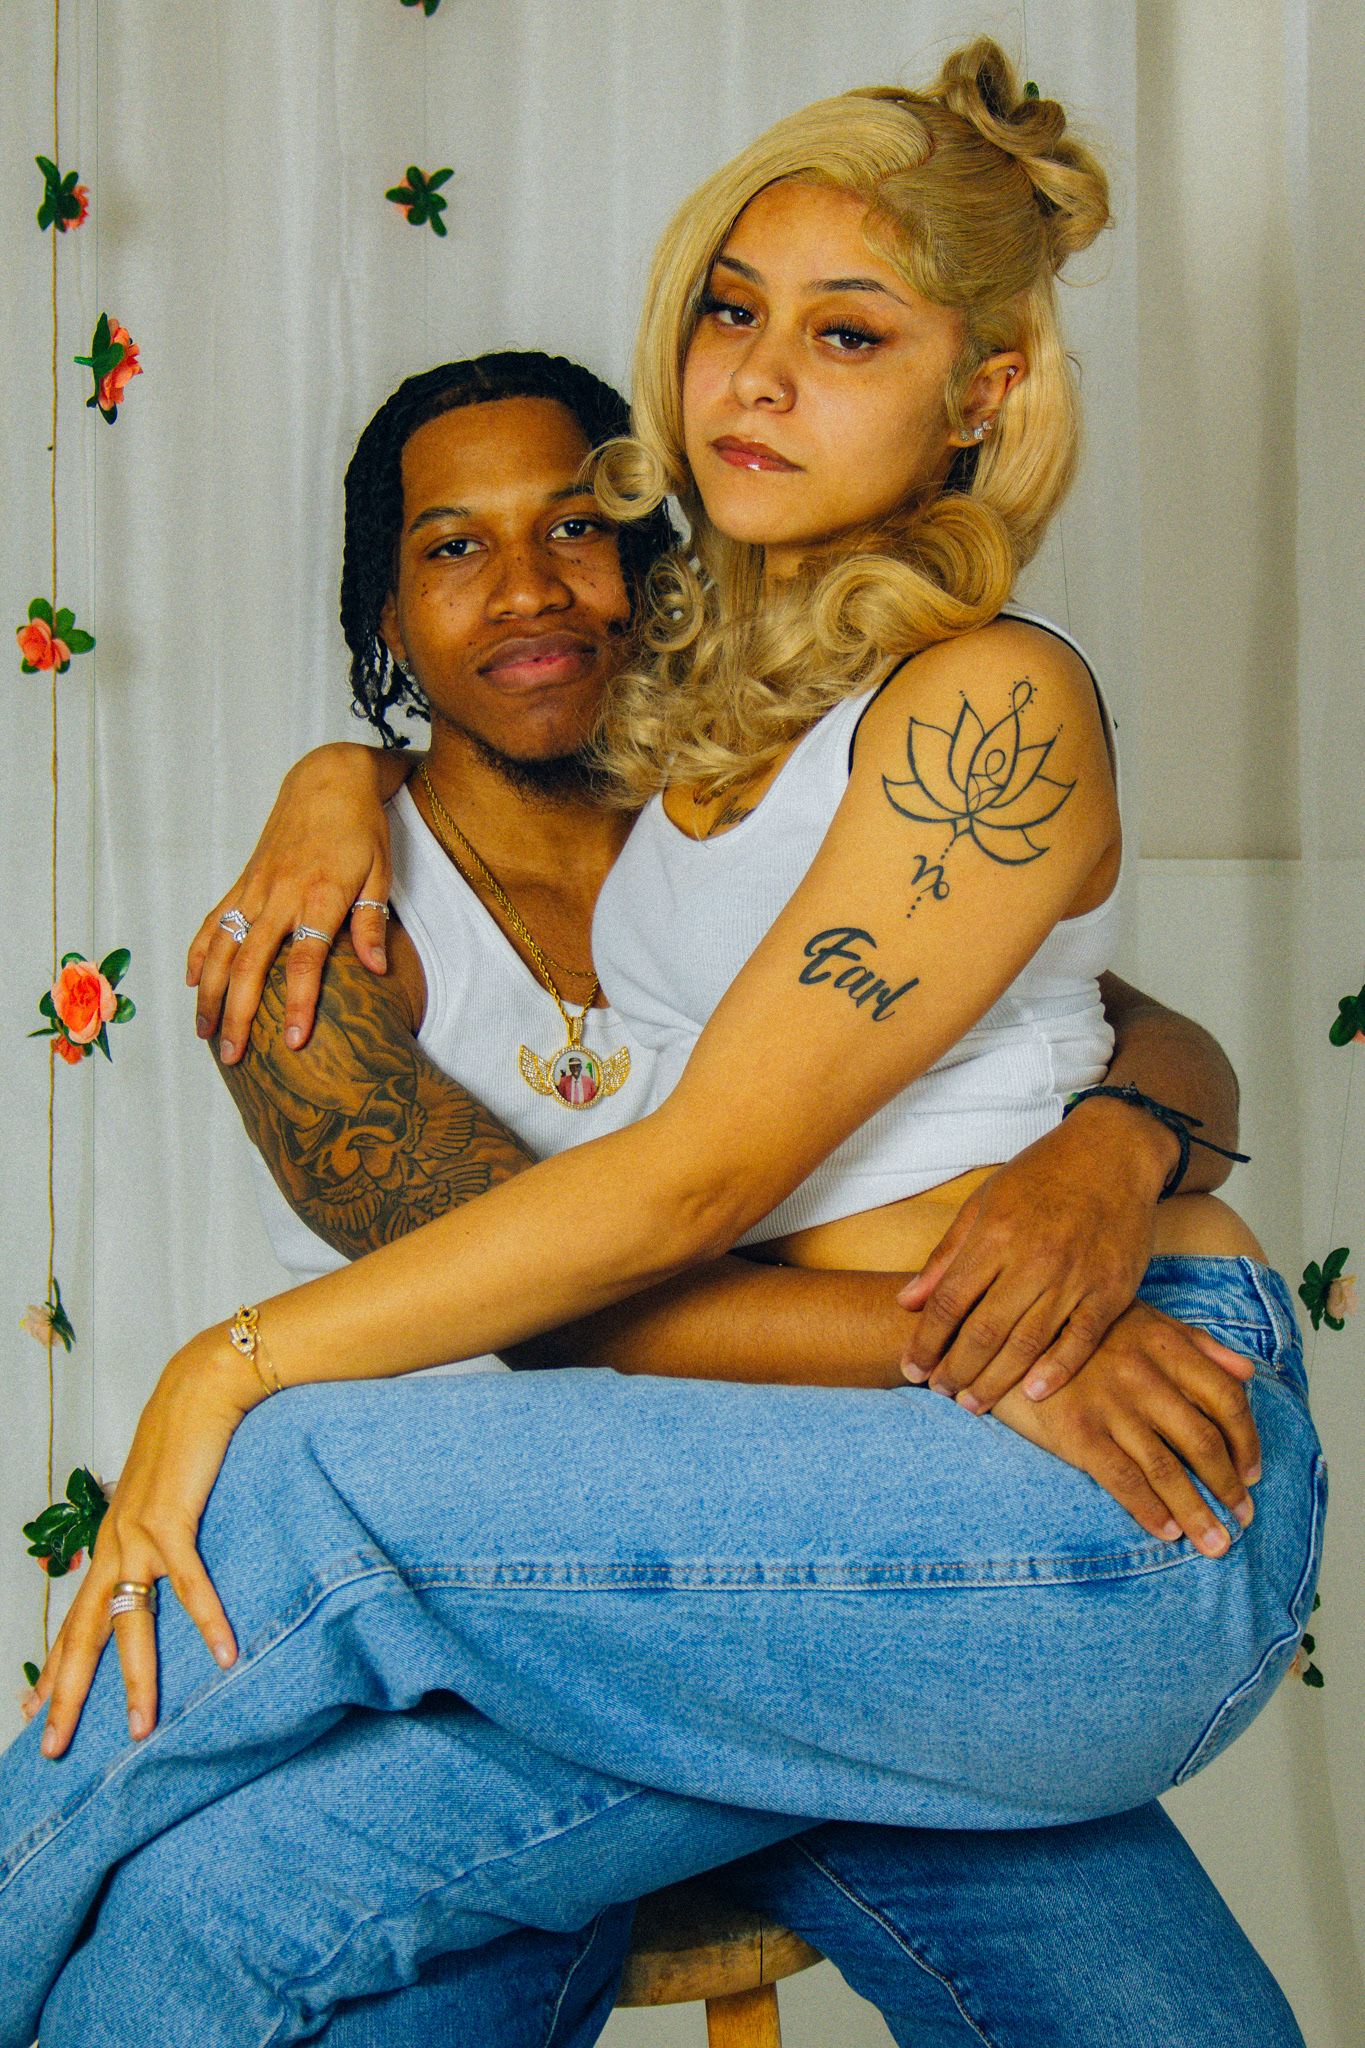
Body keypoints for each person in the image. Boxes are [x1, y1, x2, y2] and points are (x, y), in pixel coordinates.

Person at [0, 43, 1321, 2048]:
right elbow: (591, 1300)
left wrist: (1113, 1151)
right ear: (383, 618)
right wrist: (338, 779)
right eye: (727, 313)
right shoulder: (682, 758)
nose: (757, 381)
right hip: (794, 1493)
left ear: (982, 395)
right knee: (211, 1914)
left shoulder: (981, 697)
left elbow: (750, 1159)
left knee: (302, 1474)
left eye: (845, 334)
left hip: (1086, 1469)